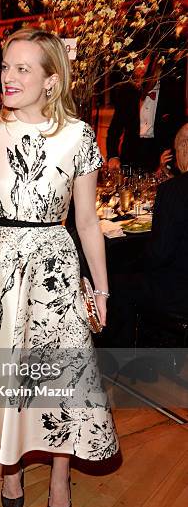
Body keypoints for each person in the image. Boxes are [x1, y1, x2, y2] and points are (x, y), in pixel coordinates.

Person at [0, 28, 119, 507]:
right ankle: (10, 469)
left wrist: (101, 287)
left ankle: (60, 475)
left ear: (51, 81)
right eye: (6, 67)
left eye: (23, 68)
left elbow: (88, 221)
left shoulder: (78, 135)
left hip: (54, 266)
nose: (8, 77)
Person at [105, 123, 188, 348]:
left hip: (178, 291)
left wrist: (131, 263)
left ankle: (121, 358)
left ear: (182, 148)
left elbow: (159, 254)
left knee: (115, 283)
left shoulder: (174, 191)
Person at [106, 53, 185, 172]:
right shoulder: (126, 90)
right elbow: (114, 129)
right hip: (130, 158)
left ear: (155, 64)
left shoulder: (170, 90)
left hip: (159, 160)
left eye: (144, 62)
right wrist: (113, 156)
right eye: (136, 61)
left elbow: (178, 131)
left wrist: (169, 162)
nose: (139, 66)